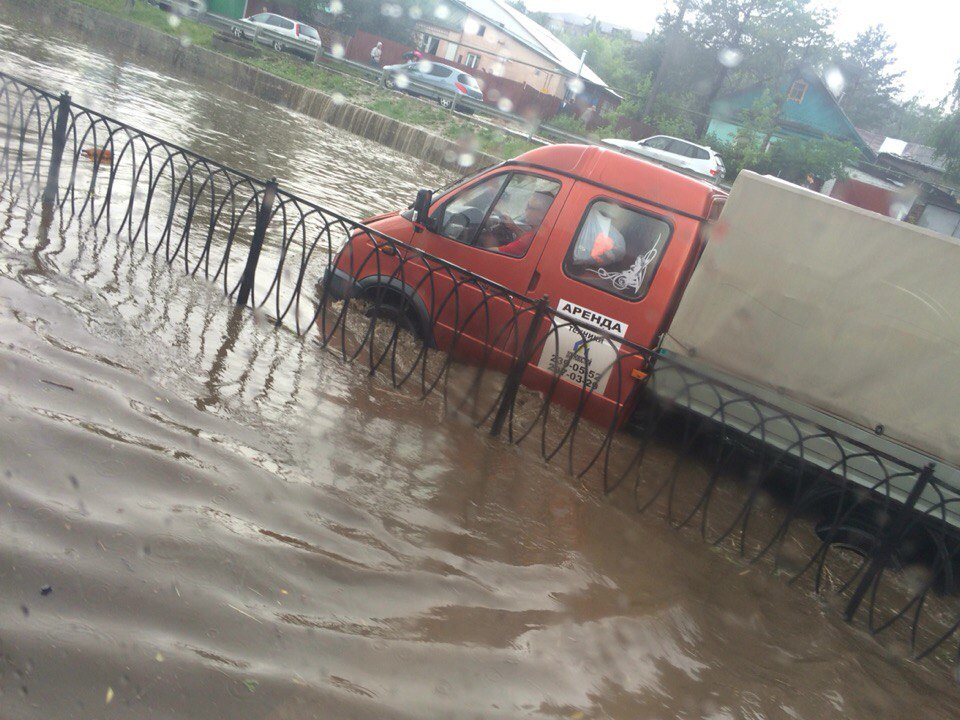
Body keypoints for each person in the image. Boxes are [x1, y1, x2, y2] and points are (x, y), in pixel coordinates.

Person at [481, 190, 554, 257]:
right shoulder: (546, 228)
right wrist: (513, 227)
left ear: (543, 214)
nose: (525, 209)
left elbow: (493, 253)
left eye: (530, 207)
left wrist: (487, 238)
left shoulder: (535, 236)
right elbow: (525, 241)